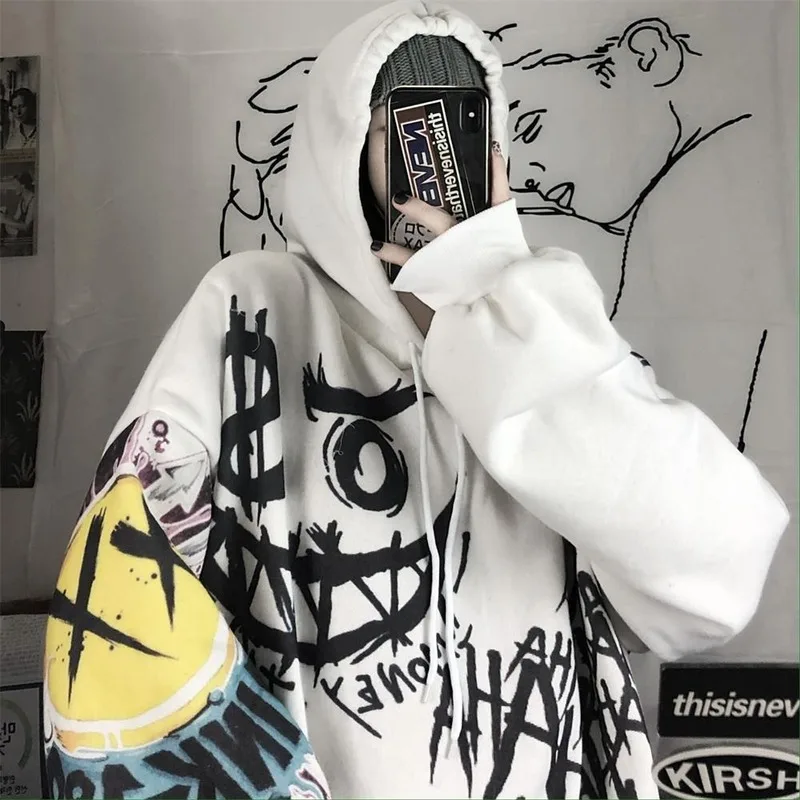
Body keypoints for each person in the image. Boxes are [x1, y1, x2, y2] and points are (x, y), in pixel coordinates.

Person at [42, 2, 789, 799]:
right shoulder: (255, 307)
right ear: (343, 147)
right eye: (402, 128)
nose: (436, 161)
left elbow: (715, 581)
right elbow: (121, 600)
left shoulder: (538, 325)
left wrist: (495, 309)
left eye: (466, 127)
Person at [0, 172, 36, 243]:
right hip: (21, 237)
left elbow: (26, 227)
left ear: (23, 185)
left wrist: (4, 220)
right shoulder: (22, 201)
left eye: (15, 185)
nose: (14, 188)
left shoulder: (33, 201)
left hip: (29, 242)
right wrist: (5, 215)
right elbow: (15, 220)